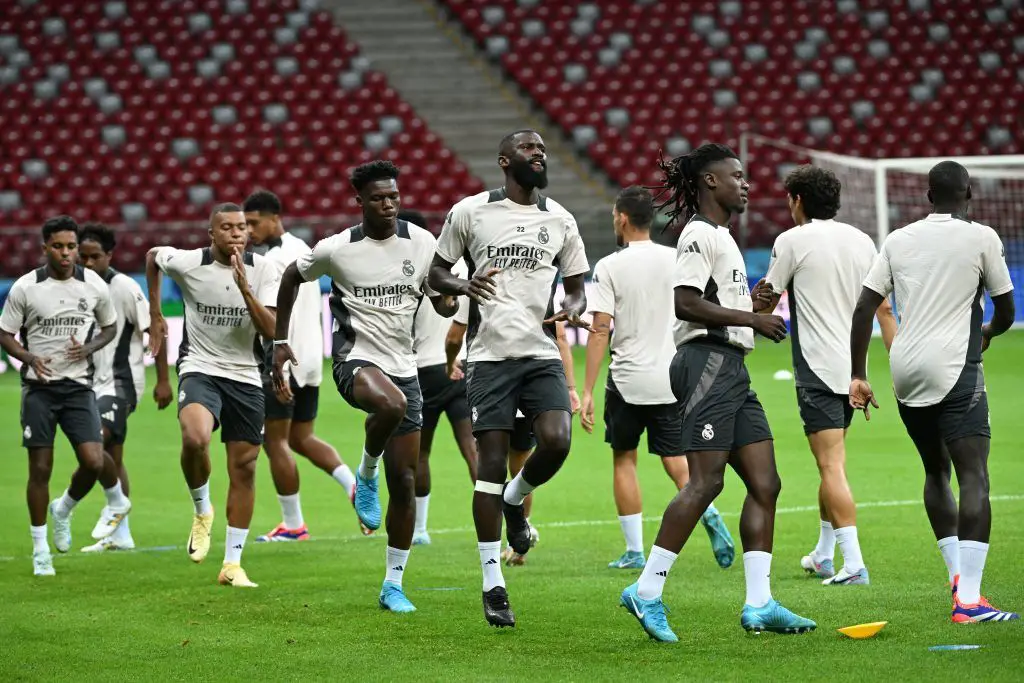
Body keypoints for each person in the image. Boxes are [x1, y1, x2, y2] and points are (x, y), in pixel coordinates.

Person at [619, 144, 816, 643]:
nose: (746, 184)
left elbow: (713, 302)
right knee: (705, 484)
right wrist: (752, 318)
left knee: (766, 483)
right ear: (710, 182)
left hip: (731, 367)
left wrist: (750, 304)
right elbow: (686, 305)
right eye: (737, 176)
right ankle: (645, 592)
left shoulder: (721, 238)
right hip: (705, 364)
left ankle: (759, 603)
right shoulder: (698, 234)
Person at [272, 161, 457, 613]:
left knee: (407, 480)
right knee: (389, 406)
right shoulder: (337, 248)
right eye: (378, 198)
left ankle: (393, 583)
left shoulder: (420, 240)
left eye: (394, 196)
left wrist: (452, 297)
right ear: (360, 201)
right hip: (355, 361)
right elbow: (291, 278)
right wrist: (280, 340)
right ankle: (366, 471)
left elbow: (439, 297)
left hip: (406, 366)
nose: (389, 204)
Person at [429, 129, 591, 628]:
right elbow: (435, 275)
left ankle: (515, 501)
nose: (539, 154)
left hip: (540, 353)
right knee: (489, 467)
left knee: (558, 442)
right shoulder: (470, 212)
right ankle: (492, 584)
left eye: (542, 149)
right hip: (489, 357)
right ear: (505, 161)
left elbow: (578, 288)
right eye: (529, 149)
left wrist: (572, 307)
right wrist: (462, 282)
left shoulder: (559, 219)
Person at [849, 161, 1018, 623]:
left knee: (934, 470)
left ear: (927, 198)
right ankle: (970, 602)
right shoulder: (982, 237)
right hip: (954, 365)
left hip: (904, 365)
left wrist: (858, 374)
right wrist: (987, 331)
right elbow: (1006, 309)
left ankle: (957, 579)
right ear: (969, 194)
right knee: (974, 475)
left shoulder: (898, 239)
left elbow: (865, 307)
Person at [752, 166, 898, 585]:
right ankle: (823, 553)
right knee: (830, 463)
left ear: (797, 200)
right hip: (855, 370)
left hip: (817, 369)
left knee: (832, 466)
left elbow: (766, 301)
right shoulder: (862, 240)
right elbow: (883, 309)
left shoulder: (791, 241)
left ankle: (854, 565)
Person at [581, 186, 735, 571]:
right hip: (671, 376)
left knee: (624, 459)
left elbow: (600, 328)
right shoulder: (675, 259)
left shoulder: (610, 266)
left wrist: (586, 390)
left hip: (629, 380)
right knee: (677, 461)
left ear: (621, 217)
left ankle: (634, 550)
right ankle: (709, 512)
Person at [147, 202, 280, 588]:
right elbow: (153, 255)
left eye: (241, 227)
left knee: (245, 467)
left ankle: (232, 564)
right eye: (227, 228)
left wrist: (245, 288)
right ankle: (202, 510)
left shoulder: (264, 269)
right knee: (195, 437)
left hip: (245, 375)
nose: (237, 233)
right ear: (212, 234)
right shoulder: (189, 262)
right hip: (200, 367)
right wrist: (156, 313)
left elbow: (270, 329)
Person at [0, 215, 130, 576]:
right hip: (39, 390)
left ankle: (64, 509)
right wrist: (27, 356)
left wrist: (88, 348)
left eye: (71, 246)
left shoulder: (94, 285)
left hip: (77, 388)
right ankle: (41, 548)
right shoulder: (26, 287)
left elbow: (110, 327)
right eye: (58, 246)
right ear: (45, 248)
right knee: (40, 469)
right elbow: (5, 332)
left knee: (93, 459)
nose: (66, 253)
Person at [242, 190, 365, 541]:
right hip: (311, 358)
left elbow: (278, 315)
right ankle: (352, 484)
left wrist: (275, 363)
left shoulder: (278, 259)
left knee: (275, 441)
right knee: (301, 436)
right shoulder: (301, 247)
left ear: (273, 217)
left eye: (254, 222)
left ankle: (293, 524)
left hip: (286, 358)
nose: (249, 230)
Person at [445, 307, 579, 566]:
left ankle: (502, 546)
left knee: (491, 465)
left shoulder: (483, 283)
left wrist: (450, 361)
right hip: (533, 385)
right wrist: (570, 387)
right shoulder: (538, 287)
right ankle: (517, 540)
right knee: (520, 463)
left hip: (493, 381)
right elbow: (560, 336)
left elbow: (455, 334)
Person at [77, 223, 173, 552]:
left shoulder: (123, 286)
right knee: (113, 458)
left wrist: (163, 380)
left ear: (109, 255)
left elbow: (156, 328)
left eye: (95, 257)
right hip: (88, 383)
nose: (88, 263)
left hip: (122, 382)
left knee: (94, 441)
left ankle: (103, 507)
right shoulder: (75, 287)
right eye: (83, 257)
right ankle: (121, 534)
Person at [395, 209, 478, 546]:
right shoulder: (458, 270)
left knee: (421, 453)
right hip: (462, 365)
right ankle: (497, 522)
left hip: (424, 368)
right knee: (473, 449)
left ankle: (419, 530)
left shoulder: (410, 272)